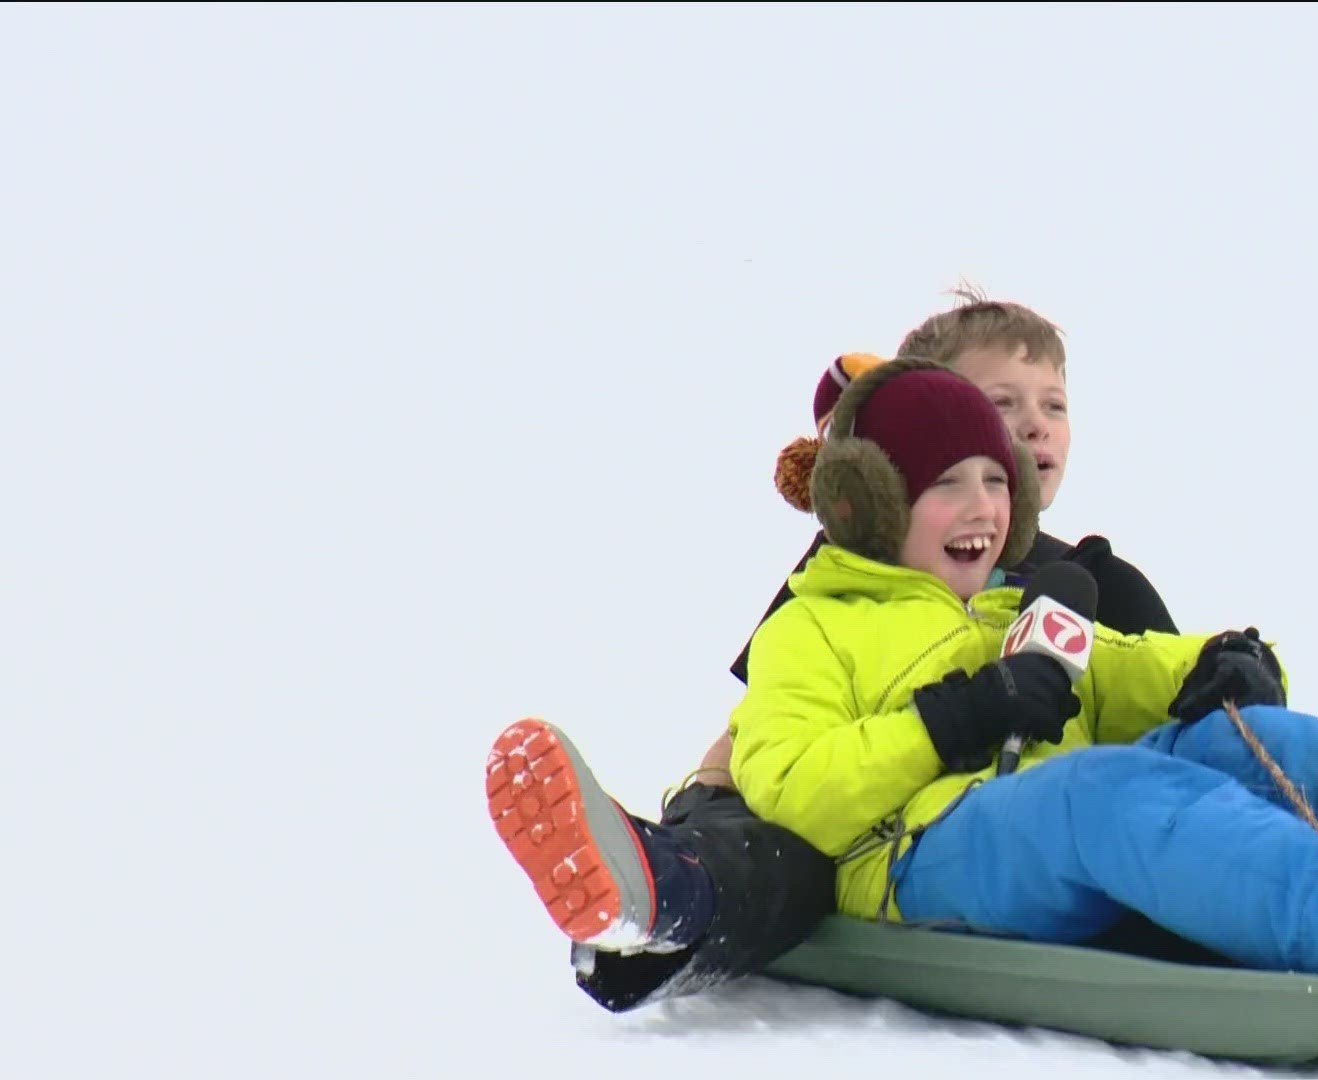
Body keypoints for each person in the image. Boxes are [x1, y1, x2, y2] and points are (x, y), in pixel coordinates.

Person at [492, 360, 1318, 985]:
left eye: (998, 483)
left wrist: (1224, 661)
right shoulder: (815, 626)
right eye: (947, 484)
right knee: (1107, 792)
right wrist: (950, 723)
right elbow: (794, 785)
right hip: (919, 855)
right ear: (873, 505)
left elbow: (1127, 670)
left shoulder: (1018, 608)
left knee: (1243, 743)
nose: (983, 506)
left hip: (1023, 819)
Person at [487, 295, 1188, 1011]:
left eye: (1054, 406)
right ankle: (658, 887)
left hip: (1011, 836)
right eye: (998, 402)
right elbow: (765, 718)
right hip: (861, 817)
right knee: (784, 856)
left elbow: (1167, 718)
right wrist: (712, 799)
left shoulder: (1097, 585)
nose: (1032, 425)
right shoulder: (852, 573)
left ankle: (658, 911)